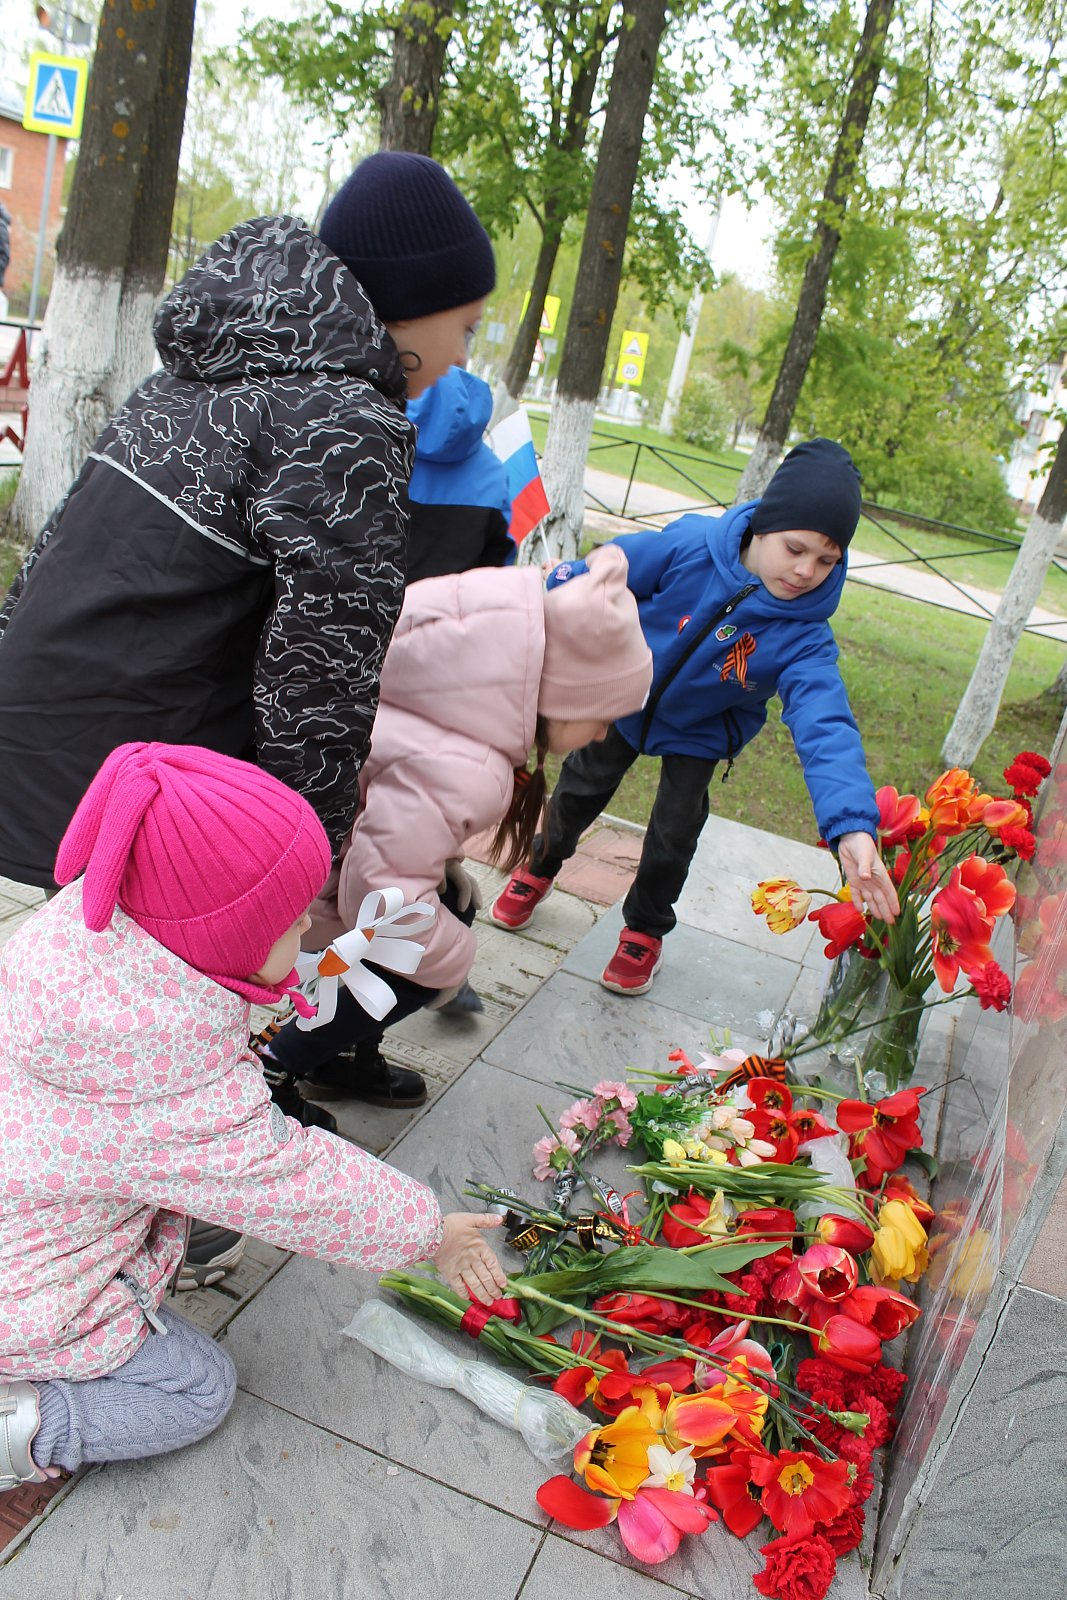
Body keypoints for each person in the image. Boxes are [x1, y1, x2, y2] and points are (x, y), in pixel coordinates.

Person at [0, 743, 506, 1493]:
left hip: (30, 1220)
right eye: (289, 917)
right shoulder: (162, 1082)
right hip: (26, 1300)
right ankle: (19, 1428)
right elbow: (289, 1178)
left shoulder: (85, 945)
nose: (306, 926)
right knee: (197, 1389)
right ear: (221, 936)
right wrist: (429, 1228)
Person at [0, 151, 494, 893]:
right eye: (467, 327)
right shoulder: (346, 423)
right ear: (409, 306)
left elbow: (54, 548)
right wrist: (300, 863)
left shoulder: (189, 376)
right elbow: (322, 671)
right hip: (135, 772)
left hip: (42, 727)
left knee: (78, 951)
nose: (460, 357)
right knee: (148, 966)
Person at [490, 439, 900, 995]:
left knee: (674, 831)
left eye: (827, 561)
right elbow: (616, 568)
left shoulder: (805, 636)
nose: (806, 571)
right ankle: (539, 867)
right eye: (795, 548)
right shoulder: (690, 546)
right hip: (624, 698)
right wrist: (562, 582)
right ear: (764, 526)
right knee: (578, 790)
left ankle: (644, 929)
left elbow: (826, 726)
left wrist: (851, 826)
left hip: (702, 732)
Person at [260, 545, 654, 1101]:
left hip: (304, 857)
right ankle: (275, 1066)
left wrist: (437, 866)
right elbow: (380, 898)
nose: (602, 735)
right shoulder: (467, 767)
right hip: (297, 899)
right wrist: (451, 965)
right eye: (603, 714)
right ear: (558, 693)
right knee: (423, 954)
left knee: (446, 908)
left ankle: (340, 1054)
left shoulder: (444, 686)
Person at [405, 362, 514, 584]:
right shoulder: (494, 474)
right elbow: (497, 563)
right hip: (453, 603)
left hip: (374, 600)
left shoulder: (381, 451)